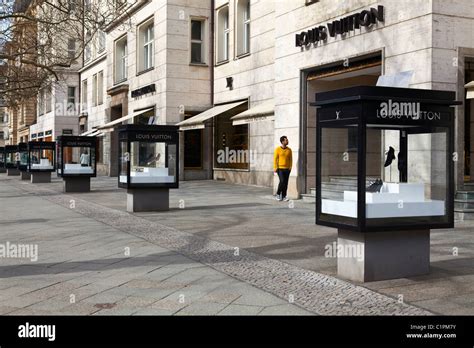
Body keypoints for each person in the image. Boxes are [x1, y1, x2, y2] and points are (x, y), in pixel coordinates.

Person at [274, 136, 292, 202]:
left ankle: (284, 196)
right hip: (280, 168)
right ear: (282, 142)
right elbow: (275, 159)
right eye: (286, 140)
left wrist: (290, 167)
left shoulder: (289, 150)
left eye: (287, 140)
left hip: (287, 169)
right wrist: (275, 167)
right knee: (282, 181)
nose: (287, 141)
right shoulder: (277, 149)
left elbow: (291, 159)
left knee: (286, 183)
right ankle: (278, 194)